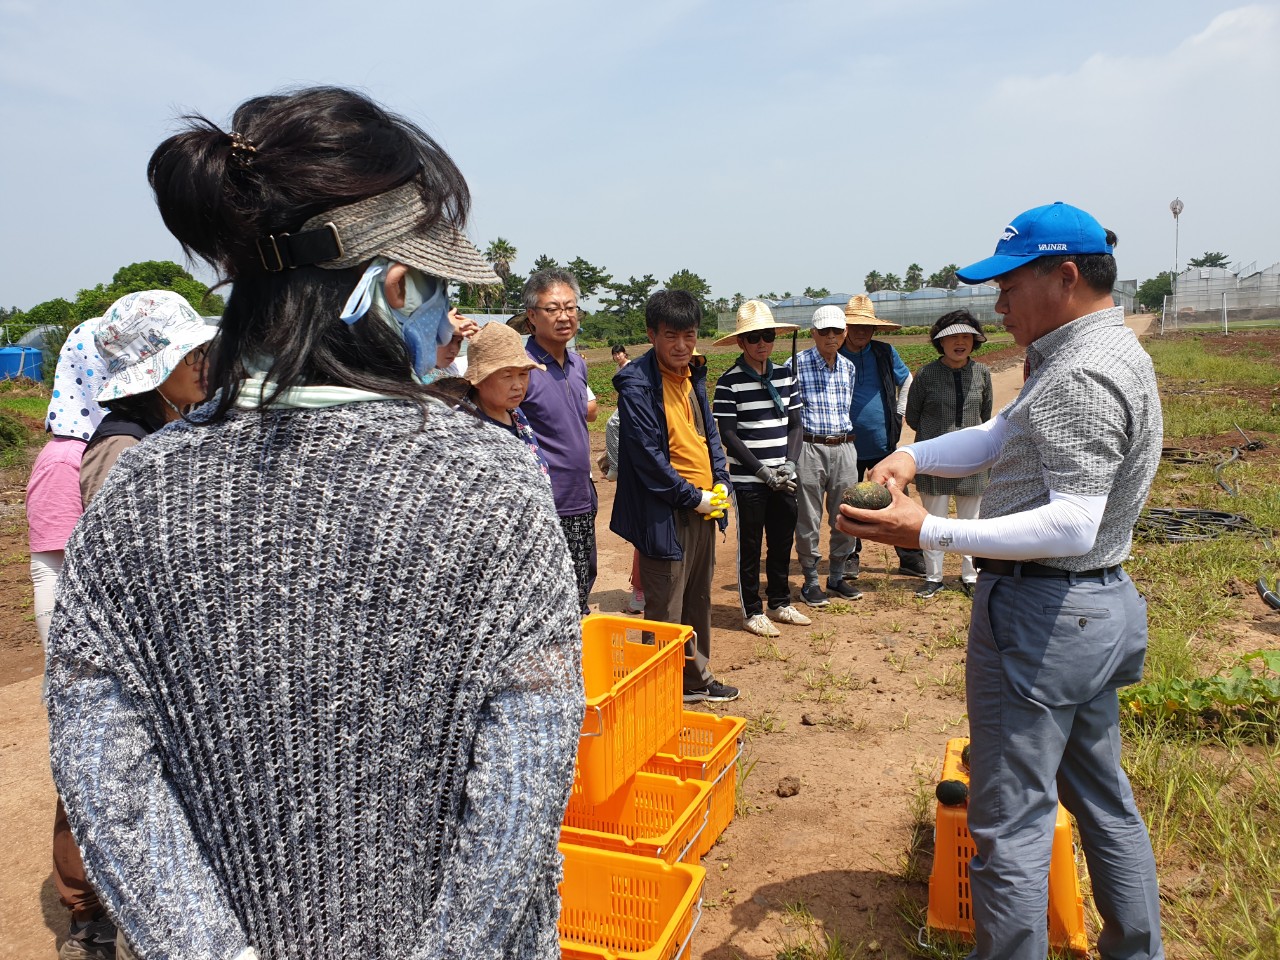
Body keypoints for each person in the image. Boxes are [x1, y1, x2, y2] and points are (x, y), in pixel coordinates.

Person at [45, 86, 584, 960]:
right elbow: (523, 783)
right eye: (440, 287)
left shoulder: (135, 495)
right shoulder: (491, 484)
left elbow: (109, 782)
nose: (452, 318)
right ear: (394, 283)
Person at [839, 202, 1164, 960]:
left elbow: (1073, 522)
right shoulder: (1092, 351)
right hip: (1094, 610)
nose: (998, 304)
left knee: (1011, 825)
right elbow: (1002, 434)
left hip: (1045, 616)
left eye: (1010, 285)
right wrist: (914, 458)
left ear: (1067, 276)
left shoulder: (1082, 372)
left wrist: (930, 530)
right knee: (1103, 800)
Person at [25, 321, 112, 960]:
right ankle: (86, 915)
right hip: (98, 653)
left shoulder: (141, 438)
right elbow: (61, 585)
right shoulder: (67, 458)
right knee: (88, 776)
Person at [611, 289, 737, 703]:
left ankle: (695, 680)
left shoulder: (692, 376)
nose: (681, 346)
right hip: (666, 512)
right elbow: (647, 457)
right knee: (666, 607)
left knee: (698, 597)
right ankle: (659, 692)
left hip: (701, 504)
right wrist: (691, 497)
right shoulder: (638, 385)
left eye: (689, 335)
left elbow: (709, 436)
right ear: (652, 334)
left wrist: (720, 481)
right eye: (671, 336)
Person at [711, 300, 811, 637]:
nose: (762, 344)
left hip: (785, 477)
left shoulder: (785, 376)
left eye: (767, 336)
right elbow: (728, 435)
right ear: (741, 342)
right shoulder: (729, 383)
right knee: (750, 545)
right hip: (749, 480)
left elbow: (795, 425)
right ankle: (751, 609)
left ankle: (779, 602)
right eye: (753, 338)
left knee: (782, 541)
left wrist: (790, 463)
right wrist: (761, 471)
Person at [79, 291, 217, 505]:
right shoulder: (121, 445)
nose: (204, 364)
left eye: (205, 350)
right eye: (192, 353)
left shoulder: (177, 424)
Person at [518, 268, 597, 615]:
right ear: (532, 317)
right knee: (548, 604)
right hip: (546, 505)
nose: (565, 316)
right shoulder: (522, 368)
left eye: (571, 307)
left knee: (581, 591)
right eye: (553, 309)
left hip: (582, 498)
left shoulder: (578, 364)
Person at [904, 310, 993, 598]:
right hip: (934, 459)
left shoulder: (982, 373)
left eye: (966, 336)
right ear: (940, 342)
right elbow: (913, 416)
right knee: (933, 520)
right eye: (953, 336)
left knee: (972, 521)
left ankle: (970, 576)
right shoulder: (927, 375)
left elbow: (985, 414)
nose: (960, 342)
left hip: (973, 458)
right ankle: (934, 577)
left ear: (974, 342)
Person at [838, 295, 926, 579]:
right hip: (845, 443)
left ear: (875, 329)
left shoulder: (884, 353)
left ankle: (910, 556)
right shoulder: (834, 353)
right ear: (845, 327)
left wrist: (900, 413)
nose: (862, 331)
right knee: (850, 500)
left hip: (882, 442)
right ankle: (850, 555)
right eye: (856, 325)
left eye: (868, 327)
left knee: (896, 495)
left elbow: (908, 380)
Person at [791, 305, 862, 607]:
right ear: (813, 334)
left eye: (836, 331)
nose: (830, 337)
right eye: (824, 332)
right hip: (809, 446)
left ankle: (836, 575)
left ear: (845, 333)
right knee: (807, 517)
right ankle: (809, 579)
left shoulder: (848, 367)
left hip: (844, 446)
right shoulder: (795, 364)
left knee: (845, 514)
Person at [462, 321, 550, 481]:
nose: (518, 386)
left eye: (523, 374)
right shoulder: (463, 429)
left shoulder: (517, 415)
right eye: (507, 376)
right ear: (479, 380)